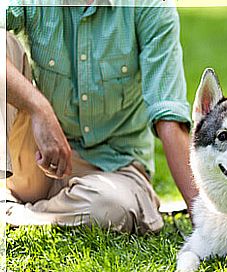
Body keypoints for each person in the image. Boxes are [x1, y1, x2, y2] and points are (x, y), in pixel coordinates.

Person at [3, 0, 198, 233]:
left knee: (111, 208)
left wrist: (204, 218)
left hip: (113, 172)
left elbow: (169, 117)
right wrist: (39, 108)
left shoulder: (150, 6)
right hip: (38, 158)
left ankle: (13, 214)